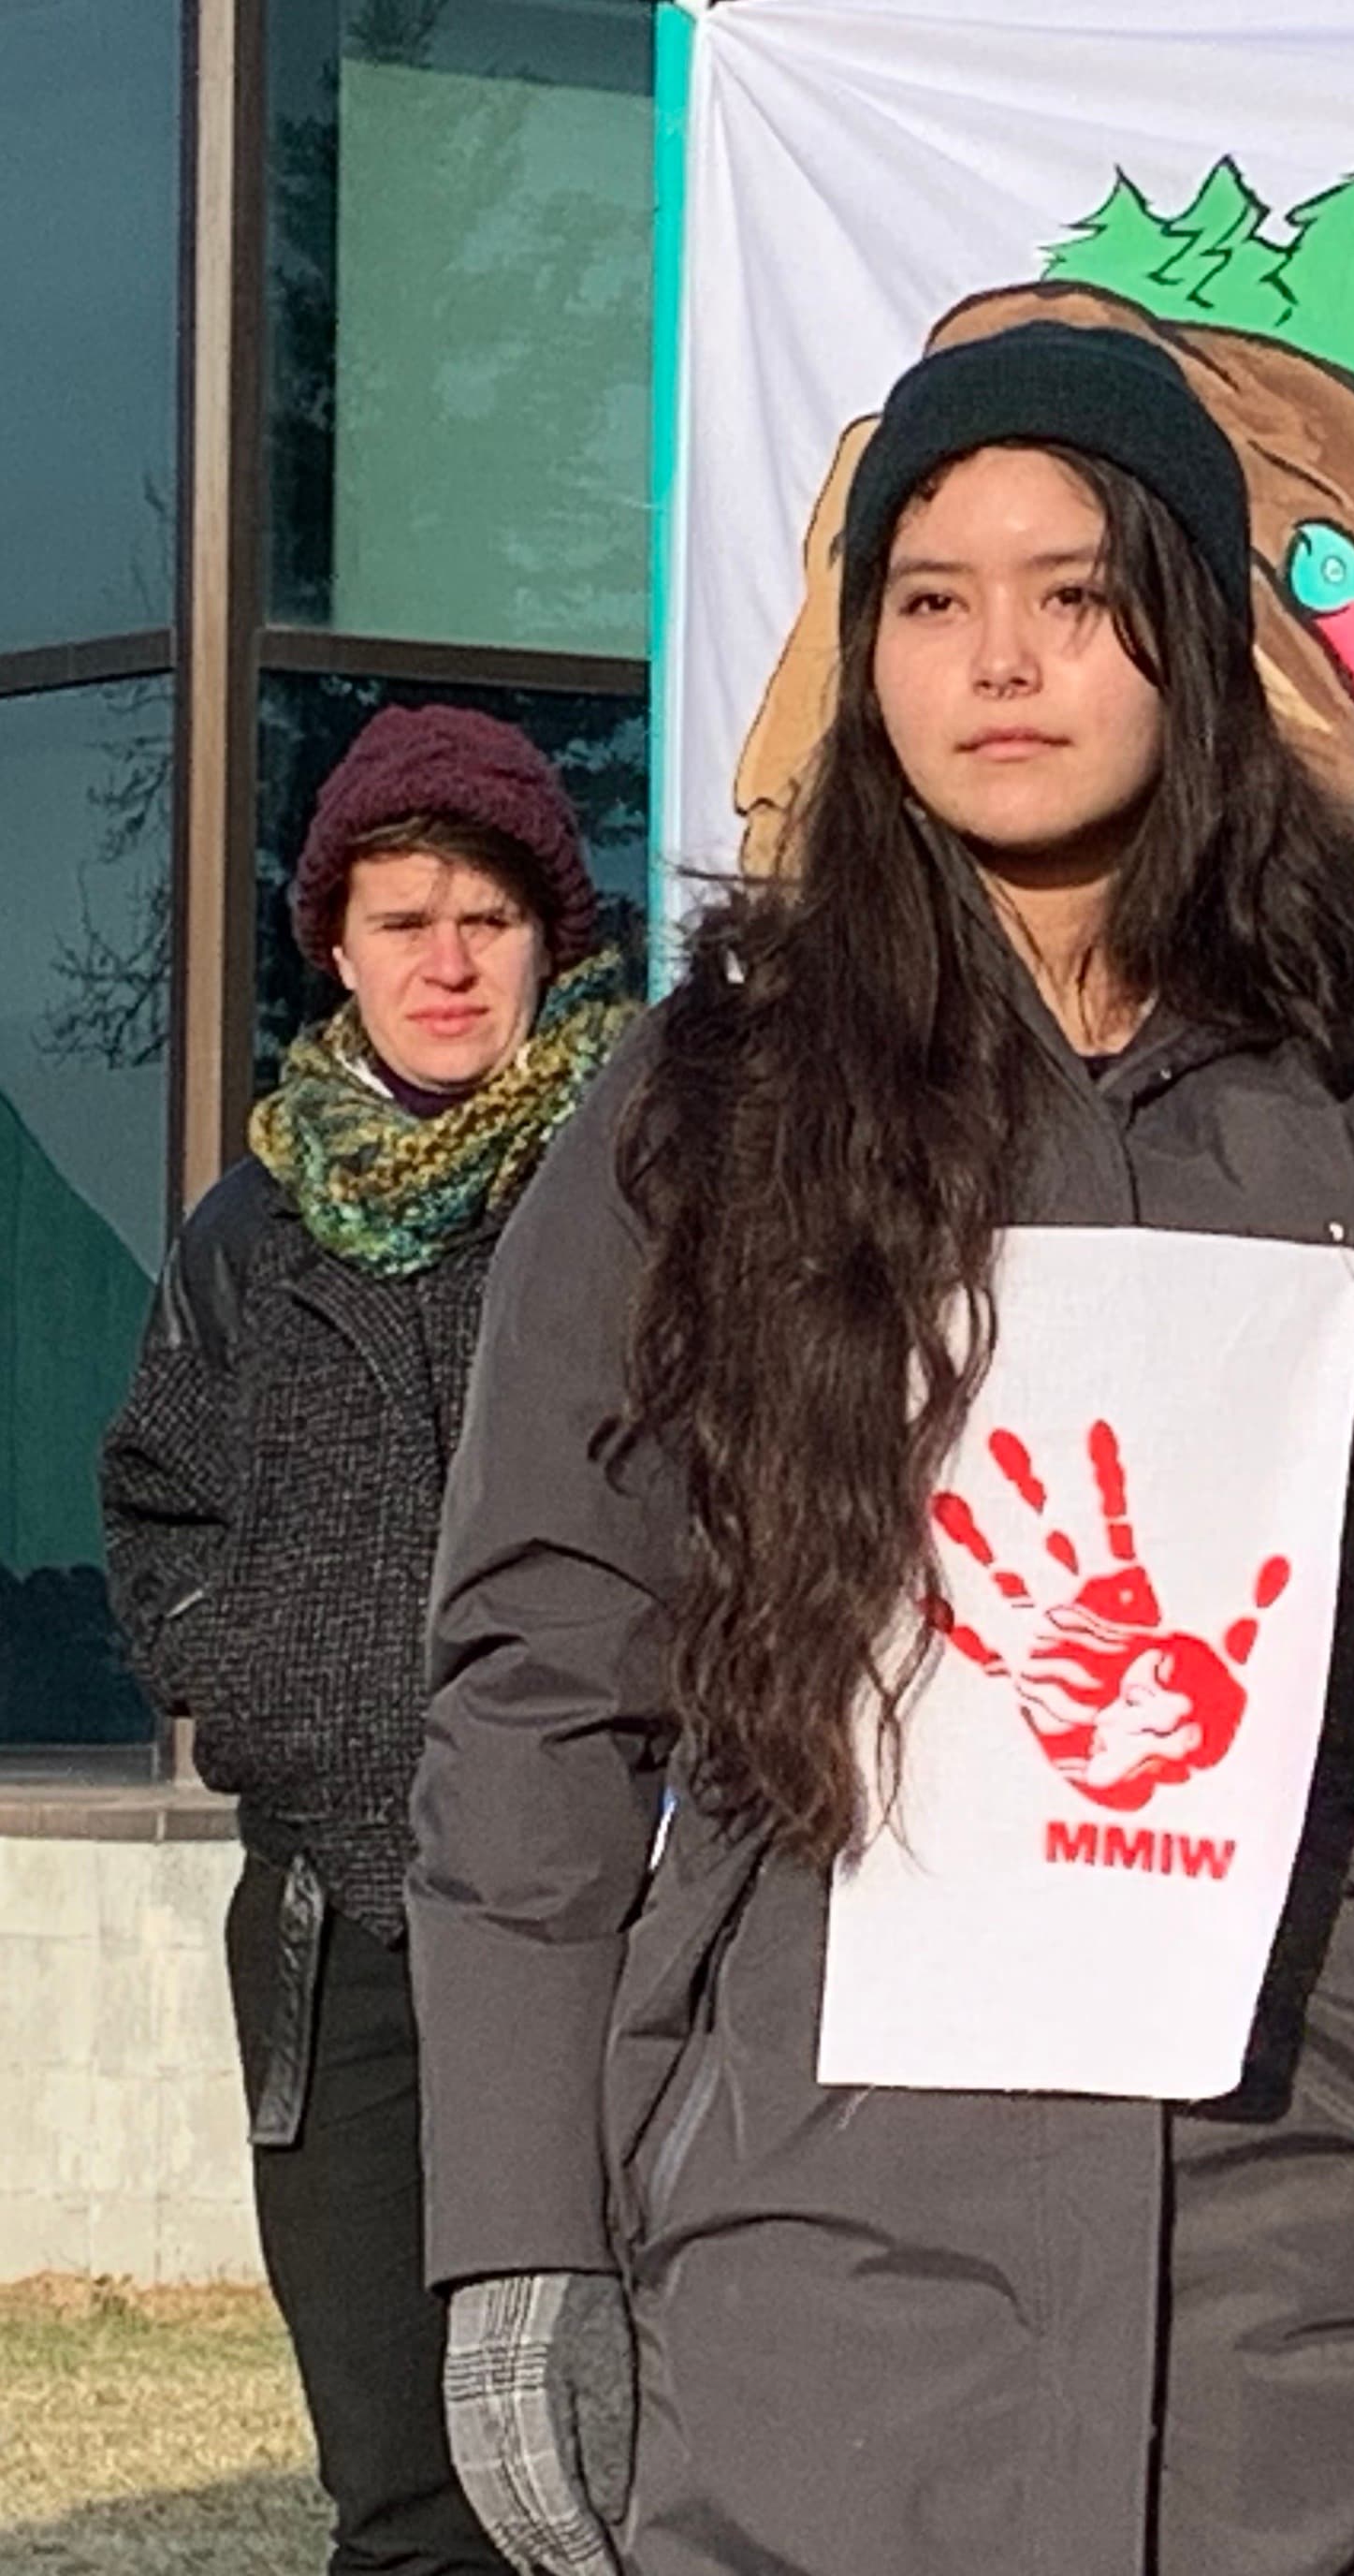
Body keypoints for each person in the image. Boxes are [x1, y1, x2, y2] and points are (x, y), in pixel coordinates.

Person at [405, 323, 1354, 2576]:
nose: (999, 659)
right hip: (805, 2267)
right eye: (930, 597)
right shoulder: (711, 1100)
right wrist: (515, 2229)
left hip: (1290, 2239)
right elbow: (536, 1686)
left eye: (1073, 595)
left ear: (1189, 625)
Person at [100, 706, 635, 2576]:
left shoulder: (654, 1186)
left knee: (618, 2469)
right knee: (402, 2492)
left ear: (551, 939)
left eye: (487, 918)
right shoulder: (248, 1233)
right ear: (335, 943)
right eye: (403, 919)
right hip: (339, 1936)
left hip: (612, 1917)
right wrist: (264, 1684)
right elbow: (156, 1503)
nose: (447, 961)